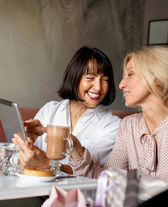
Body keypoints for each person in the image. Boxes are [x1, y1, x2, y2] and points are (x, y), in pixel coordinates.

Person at [0, 46, 121, 207]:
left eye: (104, 80)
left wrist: (45, 164)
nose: (98, 87)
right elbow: (28, 156)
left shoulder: (112, 125)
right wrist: (28, 142)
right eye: (90, 78)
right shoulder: (51, 110)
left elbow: (90, 173)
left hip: (72, 197)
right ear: (75, 77)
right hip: (32, 189)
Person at [69, 46, 168, 182]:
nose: (121, 85)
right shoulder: (129, 125)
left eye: (130, 74)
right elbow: (110, 179)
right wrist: (76, 148)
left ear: (156, 77)